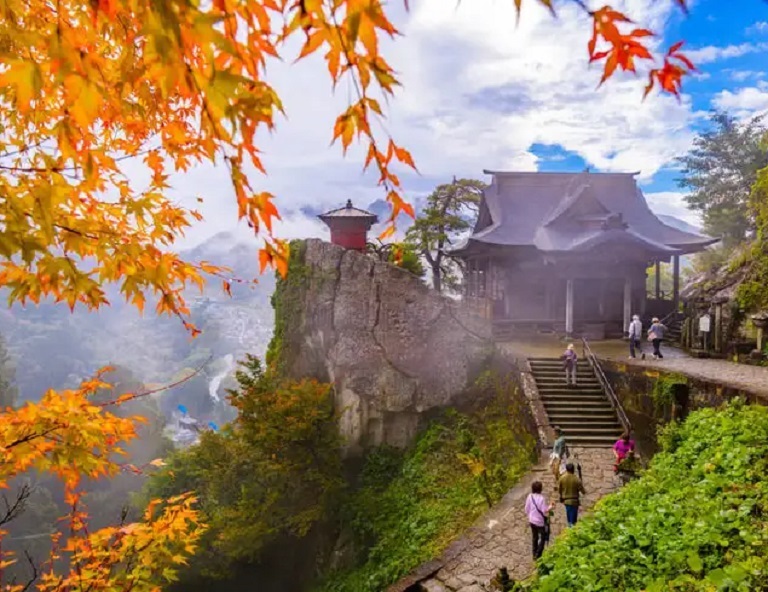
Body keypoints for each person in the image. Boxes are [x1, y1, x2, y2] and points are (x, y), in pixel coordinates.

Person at [524, 481, 553, 560]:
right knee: (543, 537)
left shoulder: (530, 496)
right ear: (540, 489)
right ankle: (538, 554)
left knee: (535, 537)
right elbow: (544, 511)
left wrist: (530, 515)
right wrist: (551, 506)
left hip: (532, 520)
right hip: (539, 522)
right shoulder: (541, 498)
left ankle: (534, 554)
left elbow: (526, 509)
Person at [558, 462, 586, 527]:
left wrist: (561, 496)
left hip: (566, 501)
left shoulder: (562, 478)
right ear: (573, 470)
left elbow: (559, 490)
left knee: (569, 518)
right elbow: (583, 491)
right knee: (573, 520)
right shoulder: (576, 479)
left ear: (566, 469)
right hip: (574, 502)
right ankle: (571, 530)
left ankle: (570, 528)